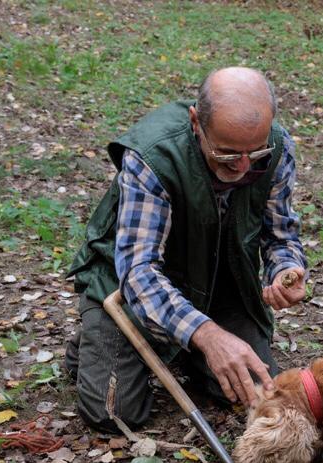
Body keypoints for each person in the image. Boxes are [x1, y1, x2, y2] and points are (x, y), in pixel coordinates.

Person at [65, 67, 307, 434]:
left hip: (216, 281)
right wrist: (208, 335)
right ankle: (96, 339)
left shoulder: (277, 147)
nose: (243, 167)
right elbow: (140, 271)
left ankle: (182, 345)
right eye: (227, 153)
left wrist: (284, 268)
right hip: (127, 287)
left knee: (256, 389)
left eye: (255, 152)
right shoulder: (153, 157)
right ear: (196, 122)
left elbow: (280, 233)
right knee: (113, 413)